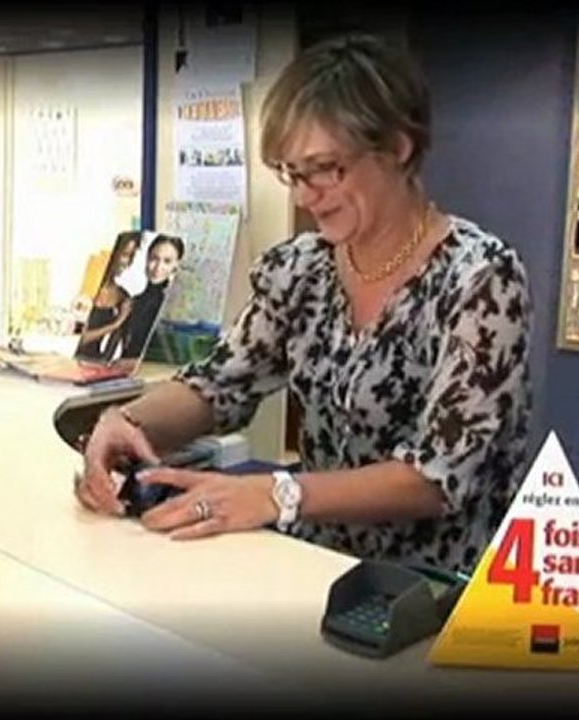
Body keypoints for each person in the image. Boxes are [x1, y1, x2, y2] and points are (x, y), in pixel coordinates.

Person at [75, 33, 532, 578]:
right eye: (292, 173)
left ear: (398, 145)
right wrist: (125, 422)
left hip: (430, 596)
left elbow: (438, 477)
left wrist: (278, 493)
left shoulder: (481, 280)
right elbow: (219, 385)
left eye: (325, 169)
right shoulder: (300, 269)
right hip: (316, 574)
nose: (303, 196)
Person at [106, 234, 185, 362]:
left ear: (175, 267)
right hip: (123, 372)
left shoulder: (171, 307)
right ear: (147, 259)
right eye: (154, 259)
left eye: (167, 261)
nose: (158, 268)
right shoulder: (131, 301)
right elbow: (116, 349)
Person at [75, 231, 140, 361]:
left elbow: (110, 351)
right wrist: (114, 325)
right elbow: (79, 339)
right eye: (124, 254)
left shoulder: (124, 297)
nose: (126, 262)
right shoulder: (89, 287)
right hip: (72, 362)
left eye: (130, 256)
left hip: (94, 365)